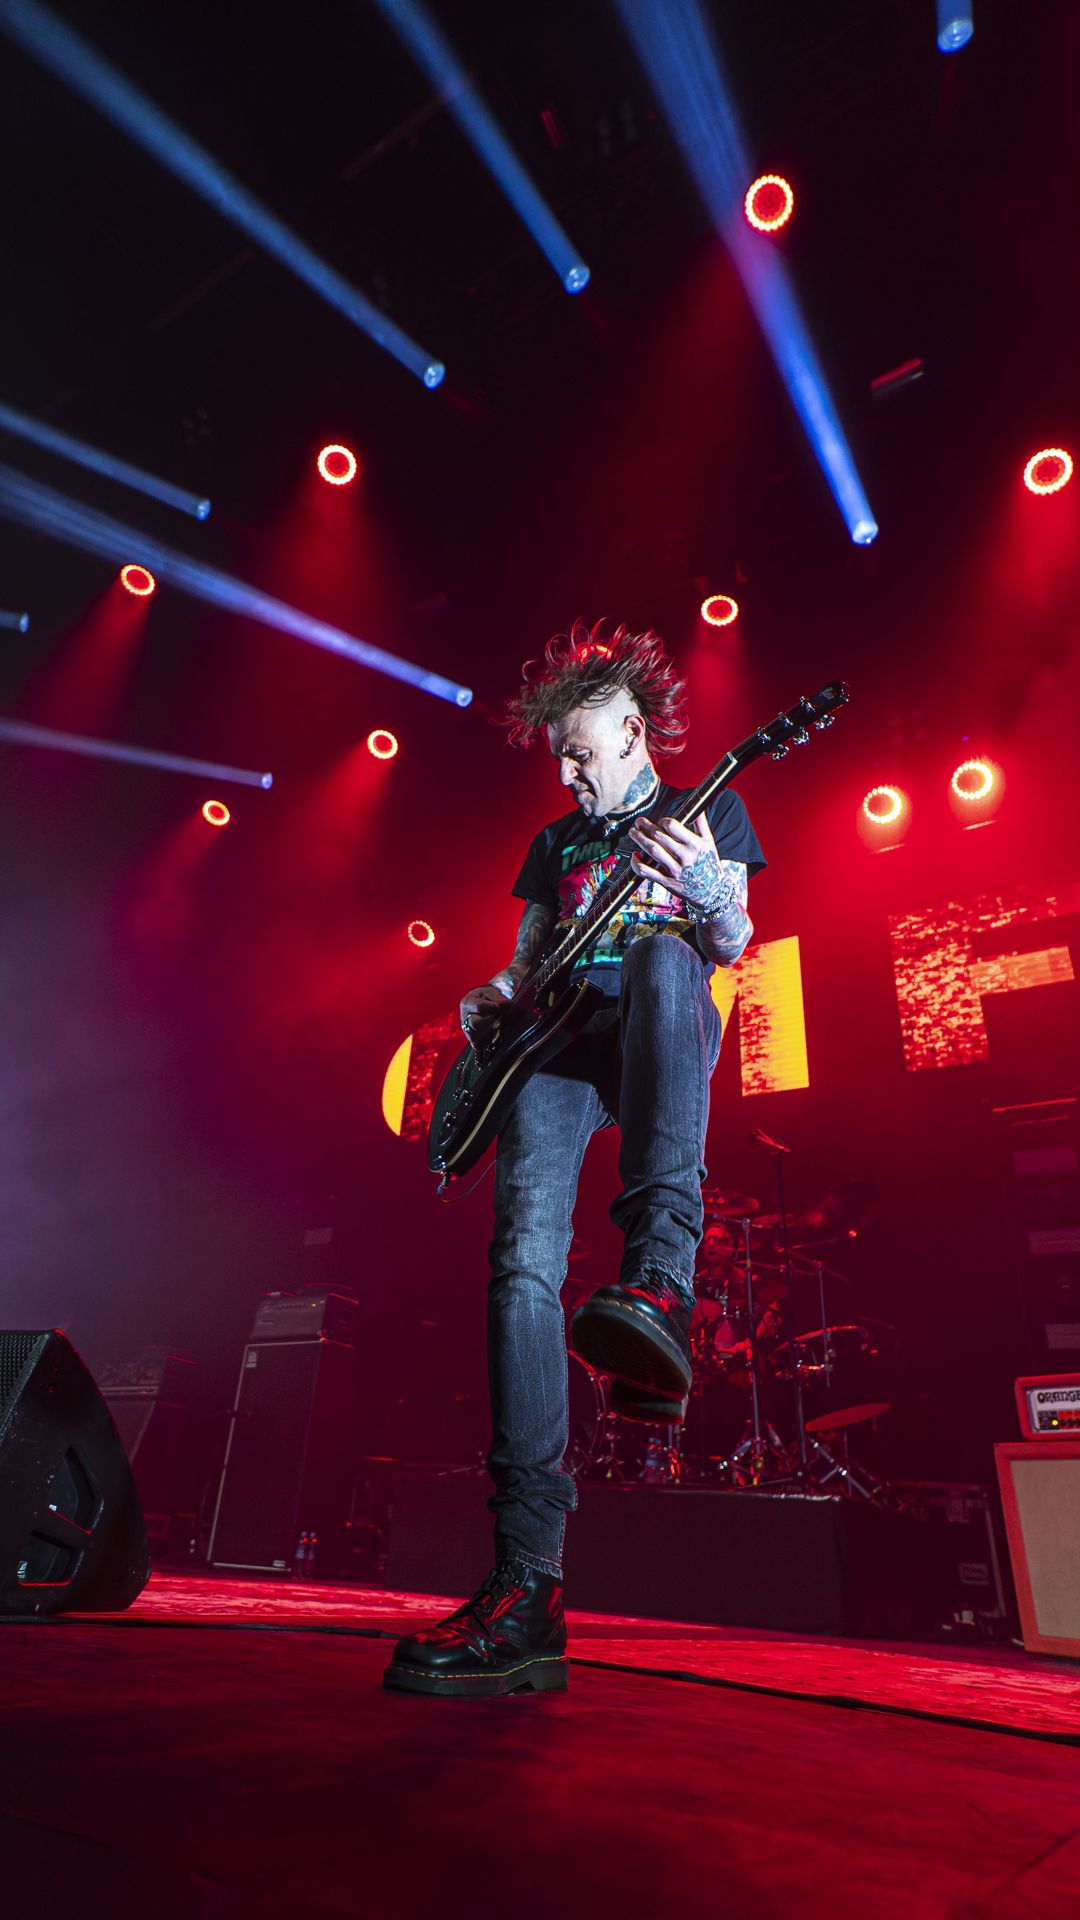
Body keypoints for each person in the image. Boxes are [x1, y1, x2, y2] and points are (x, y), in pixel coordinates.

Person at [384, 622, 765, 1696]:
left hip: (659, 1021)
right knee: (519, 1270)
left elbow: (734, 943)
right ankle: (528, 1582)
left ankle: (657, 1280)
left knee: (658, 959)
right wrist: (490, 997)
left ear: (634, 731)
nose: (570, 774)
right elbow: (525, 963)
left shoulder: (708, 811)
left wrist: (707, 892)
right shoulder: (558, 844)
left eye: (585, 753)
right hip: (554, 1041)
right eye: (559, 758)